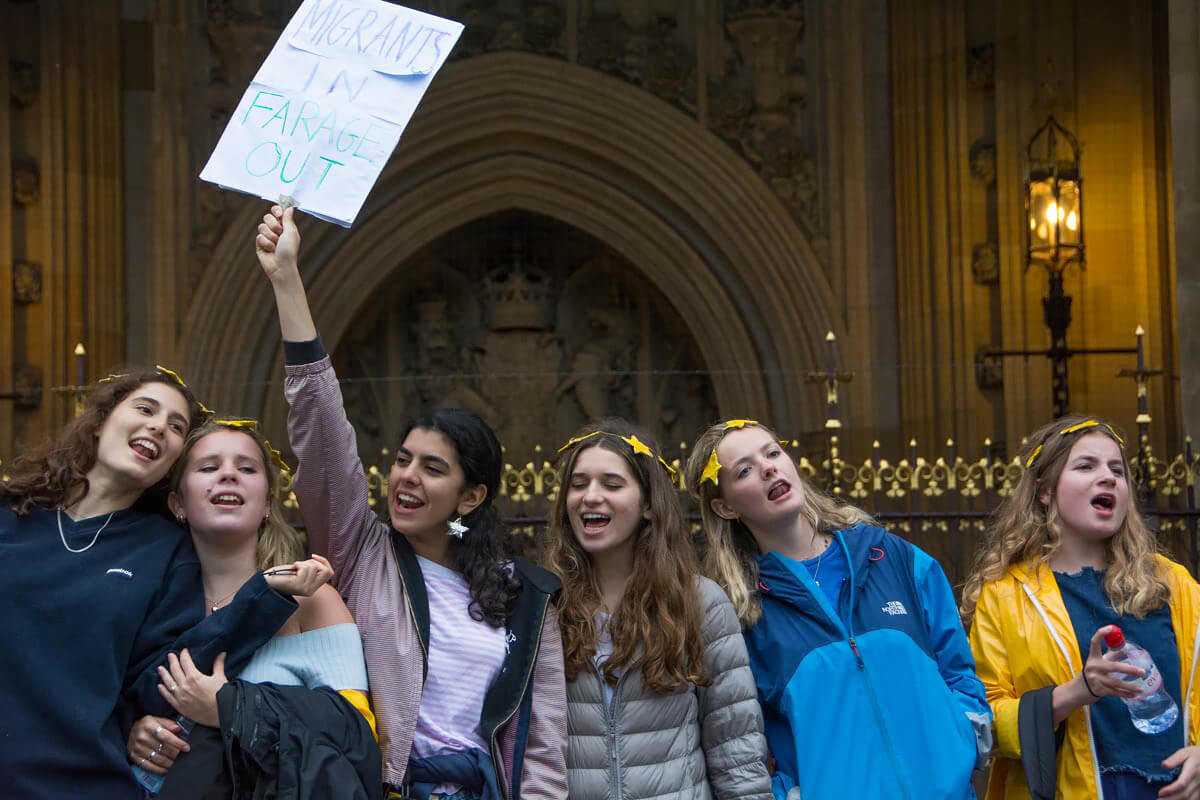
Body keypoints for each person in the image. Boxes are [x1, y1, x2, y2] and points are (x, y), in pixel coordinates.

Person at [256, 204, 567, 800]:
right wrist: (286, 281)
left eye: (432, 468)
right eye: (402, 460)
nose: (407, 477)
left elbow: (542, 746)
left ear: (471, 496)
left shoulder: (526, 596)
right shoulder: (363, 553)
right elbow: (322, 435)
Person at [0, 367, 306, 800]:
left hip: (83, 785)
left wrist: (266, 595)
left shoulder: (166, 551)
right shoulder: (10, 516)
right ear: (102, 418)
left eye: (176, 426)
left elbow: (162, 677)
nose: (158, 426)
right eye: (145, 408)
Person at [686, 419, 991, 800]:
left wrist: (963, 739)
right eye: (744, 470)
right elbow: (738, 739)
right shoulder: (741, 612)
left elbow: (958, 667)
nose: (769, 468)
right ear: (724, 507)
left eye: (773, 452)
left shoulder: (892, 557)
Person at [124, 418, 379, 797]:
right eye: (209, 467)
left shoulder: (310, 599)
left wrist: (229, 709)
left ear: (267, 503)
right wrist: (136, 732)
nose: (228, 475)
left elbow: (357, 734)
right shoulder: (153, 603)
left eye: (246, 468)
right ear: (177, 503)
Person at [963, 415, 1200, 800]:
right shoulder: (1006, 596)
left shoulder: (1175, 585)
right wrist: (1080, 690)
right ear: (1044, 491)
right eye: (1086, 466)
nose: (1108, 477)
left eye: (1117, 470)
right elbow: (984, 722)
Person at [545, 418, 773, 800]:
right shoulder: (546, 605)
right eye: (578, 484)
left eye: (612, 484)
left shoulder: (700, 604)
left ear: (648, 505)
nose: (590, 496)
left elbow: (736, 750)